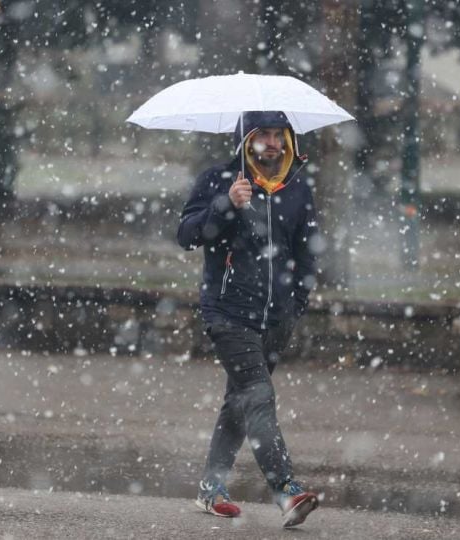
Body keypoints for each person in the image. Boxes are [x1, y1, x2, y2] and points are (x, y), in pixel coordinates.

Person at [177, 110, 321, 528]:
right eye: (264, 136)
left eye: (280, 136)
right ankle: (287, 490)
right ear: (246, 140)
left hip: (276, 318)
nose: (273, 144)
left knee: (238, 404)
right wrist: (226, 205)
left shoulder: (296, 187)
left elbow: (307, 251)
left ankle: (210, 488)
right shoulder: (219, 180)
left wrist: (295, 305)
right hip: (227, 313)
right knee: (258, 396)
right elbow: (187, 235)